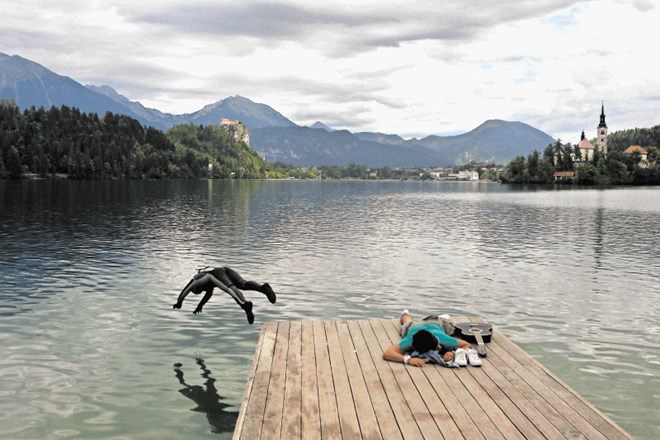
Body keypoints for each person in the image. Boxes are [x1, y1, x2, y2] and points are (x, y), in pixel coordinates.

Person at [173, 266, 276, 324]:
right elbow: (207, 296)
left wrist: (179, 303)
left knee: (229, 288)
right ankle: (263, 288)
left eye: (197, 292)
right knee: (243, 284)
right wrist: (200, 306)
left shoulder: (195, 282)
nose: (200, 293)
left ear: (195, 290)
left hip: (216, 274)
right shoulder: (208, 287)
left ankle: (245, 305)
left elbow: (184, 292)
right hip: (225, 269)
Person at [382, 310, 481, 367]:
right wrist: (408, 360)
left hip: (436, 324)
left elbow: (467, 345)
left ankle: (444, 317)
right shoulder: (409, 340)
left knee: (449, 328)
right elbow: (387, 354)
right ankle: (404, 313)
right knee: (406, 323)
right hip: (415, 326)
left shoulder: (444, 339)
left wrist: (453, 353)